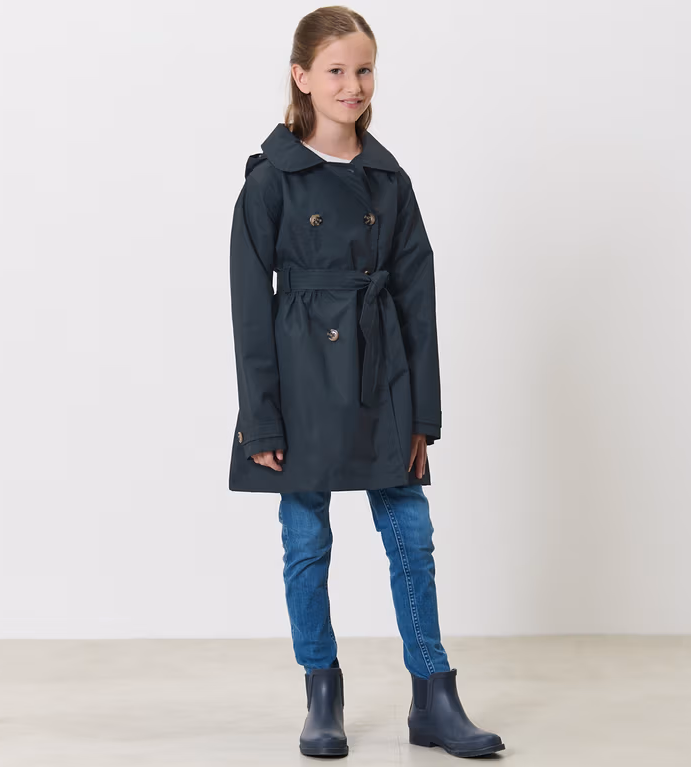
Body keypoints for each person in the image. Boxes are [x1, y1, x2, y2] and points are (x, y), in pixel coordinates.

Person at [227, 5, 505, 759]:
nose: (352, 85)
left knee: (411, 533)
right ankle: (322, 694)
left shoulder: (389, 179)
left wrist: (423, 416)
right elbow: (250, 309)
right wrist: (262, 419)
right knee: (306, 540)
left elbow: (419, 302)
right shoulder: (270, 181)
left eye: (364, 70)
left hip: (384, 376)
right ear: (302, 77)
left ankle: (433, 695)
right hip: (301, 379)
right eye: (336, 71)